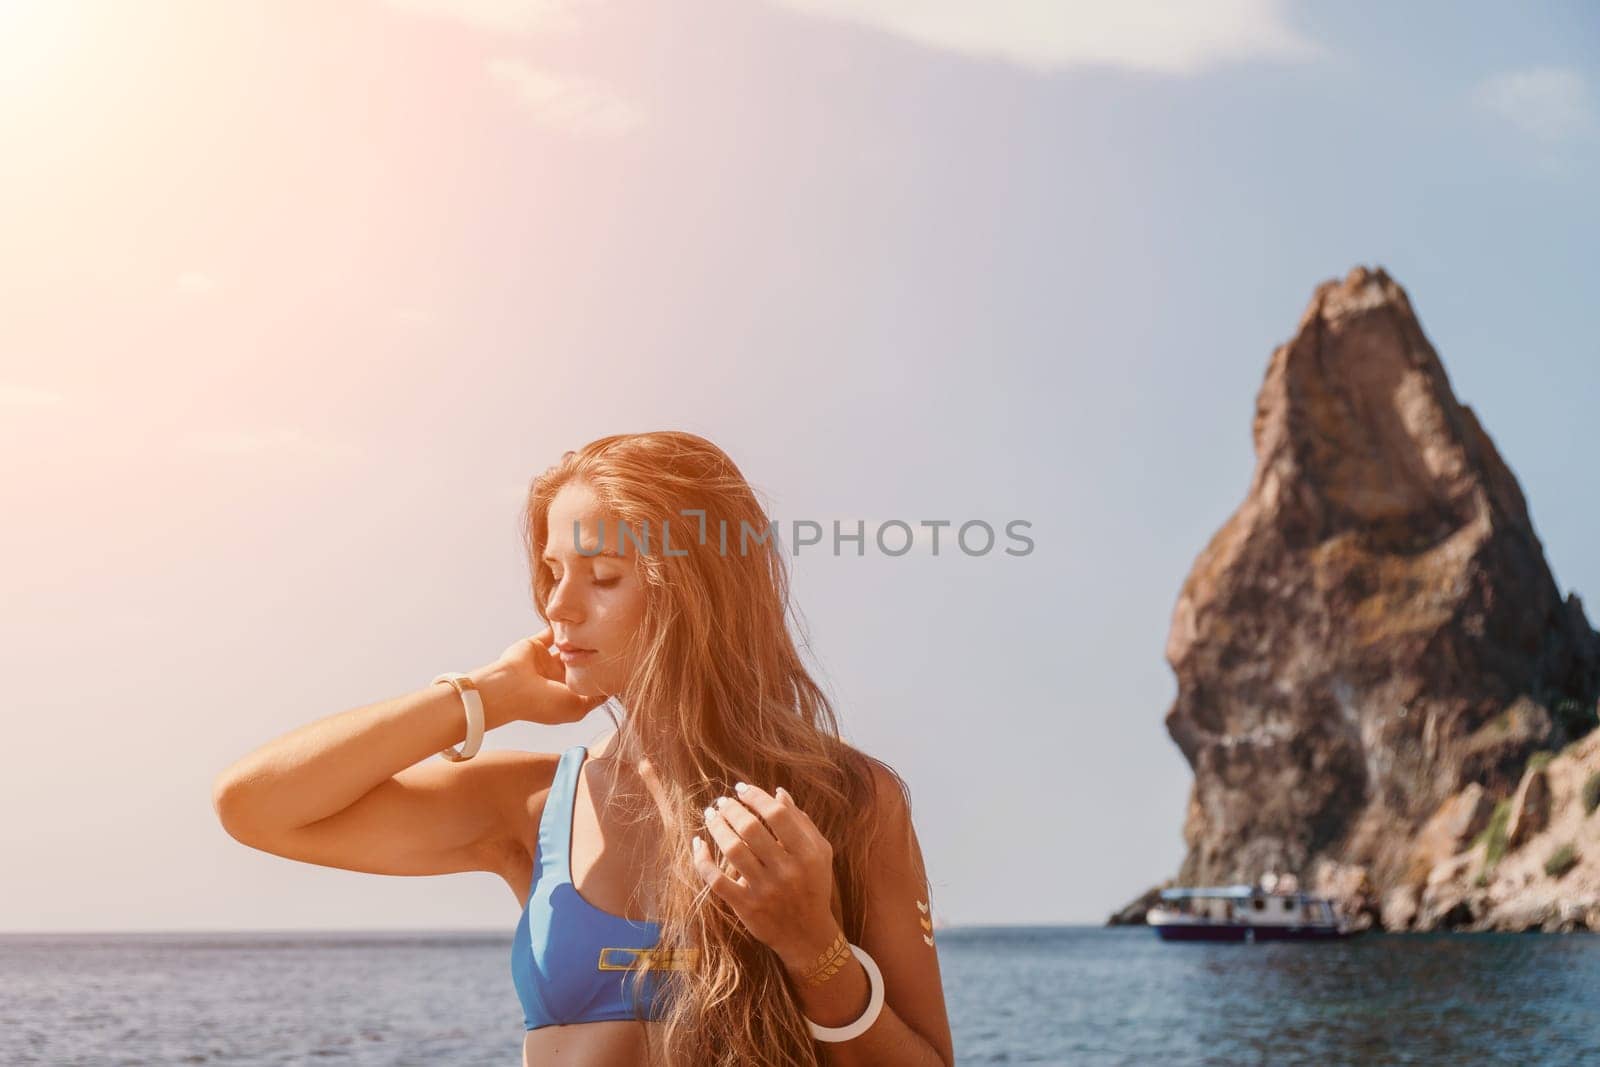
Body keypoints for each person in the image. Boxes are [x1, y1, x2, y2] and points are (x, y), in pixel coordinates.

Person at [212, 431, 955, 1067]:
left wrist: (812, 946)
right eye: (551, 572)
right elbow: (257, 806)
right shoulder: (535, 808)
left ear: (692, 591)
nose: (558, 606)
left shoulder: (851, 801)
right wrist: (483, 695)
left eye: (603, 576)